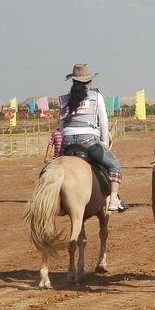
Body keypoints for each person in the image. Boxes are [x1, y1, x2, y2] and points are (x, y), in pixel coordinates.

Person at [59, 64, 127, 212]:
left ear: (73, 81)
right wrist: (103, 142)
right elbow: (103, 122)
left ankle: (58, 202)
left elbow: (61, 126)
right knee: (115, 165)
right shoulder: (96, 96)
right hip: (88, 141)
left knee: (55, 169)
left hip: (67, 142)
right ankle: (114, 199)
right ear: (89, 82)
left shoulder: (64, 99)